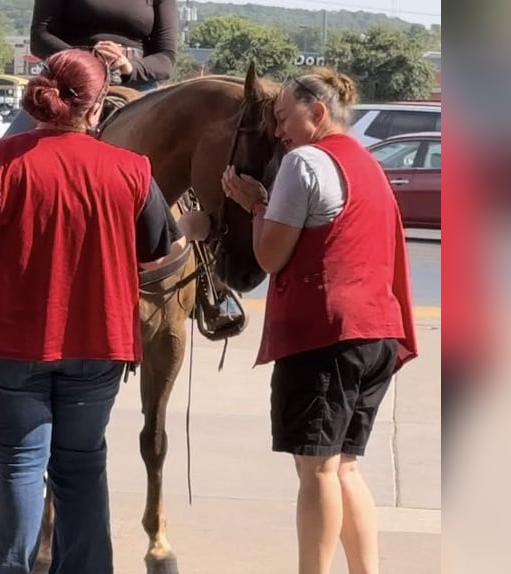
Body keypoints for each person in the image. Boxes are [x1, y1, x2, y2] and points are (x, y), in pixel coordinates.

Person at [0, 49, 208, 574]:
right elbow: (158, 256)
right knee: (82, 467)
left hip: (3, 348)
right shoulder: (132, 171)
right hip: (97, 347)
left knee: (20, 468)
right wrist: (191, 231)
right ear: (98, 108)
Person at [221, 68, 418, 574]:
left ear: (318, 112)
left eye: (285, 118)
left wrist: (255, 205)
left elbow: (269, 257)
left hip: (325, 334)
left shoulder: (304, 161)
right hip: (375, 332)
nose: (280, 132)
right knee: (345, 467)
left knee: (317, 471)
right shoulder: (367, 163)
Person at [4, 0, 178, 136]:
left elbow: (166, 57)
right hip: (69, 81)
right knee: (6, 154)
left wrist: (129, 66)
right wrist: (86, 57)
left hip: (135, 82)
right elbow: (40, 37)